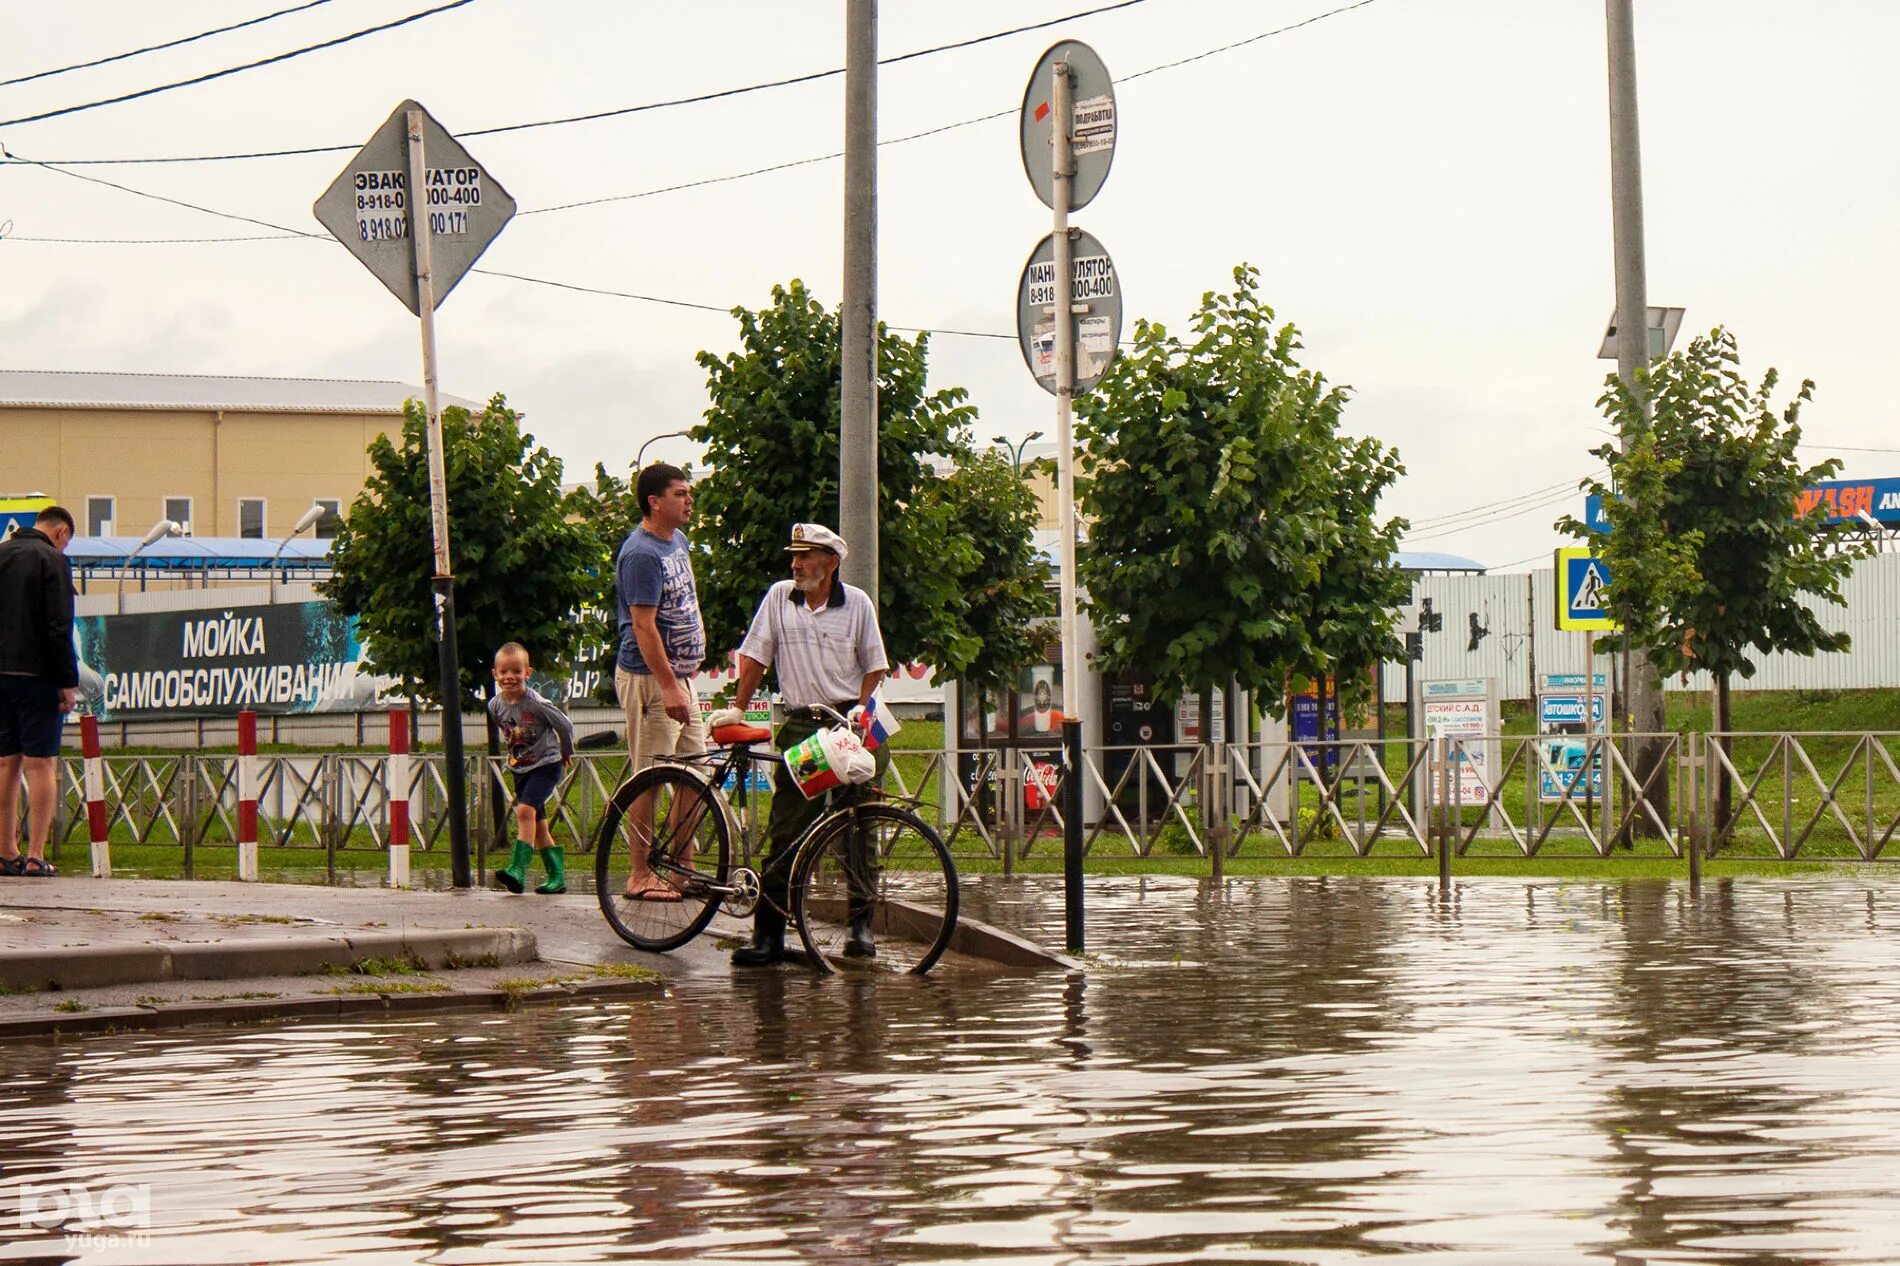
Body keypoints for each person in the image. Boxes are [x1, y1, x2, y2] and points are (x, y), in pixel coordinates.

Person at [711, 523, 890, 966]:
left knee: (859, 825)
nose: (795, 564)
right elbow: (755, 655)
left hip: (849, 725)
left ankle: (861, 926)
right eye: (794, 555)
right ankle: (769, 933)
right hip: (803, 727)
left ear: (830, 563)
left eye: (805, 556)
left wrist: (861, 711)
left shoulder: (858, 605)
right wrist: (738, 706)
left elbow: (875, 665)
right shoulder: (779, 597)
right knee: (788, 828)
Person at [614, 462, 707, 898]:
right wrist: (668, 684)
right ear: (655, 501)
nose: (689, 501)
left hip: (680, 678)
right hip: (650, 680)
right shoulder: (641, 554)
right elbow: (643, 626)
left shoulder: (678, 542)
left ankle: (681, 867)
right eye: (680, 493)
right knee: (649, 778)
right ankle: (640, 872)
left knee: (695, 771)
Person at [0, 505, 79, 878]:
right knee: (40, 763)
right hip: (37, 675)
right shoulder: (53, 561)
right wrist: (67, 682)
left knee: (5, 762)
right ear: (62, 532)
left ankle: (4, 852)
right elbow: (58, 627)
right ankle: (35, 855)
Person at [487, 642, 576, 894]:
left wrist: (566, 750)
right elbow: (507, 731)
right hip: (521, 769)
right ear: (495, 674)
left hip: (546, 765)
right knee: (538, 826)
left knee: (524, 811)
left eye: (516, 671)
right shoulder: (494, 706)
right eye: (503, 672)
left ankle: (517, 869)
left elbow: (565, 725)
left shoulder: (535, 702)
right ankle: (557, 877)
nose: (509, 677)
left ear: (528, 673)